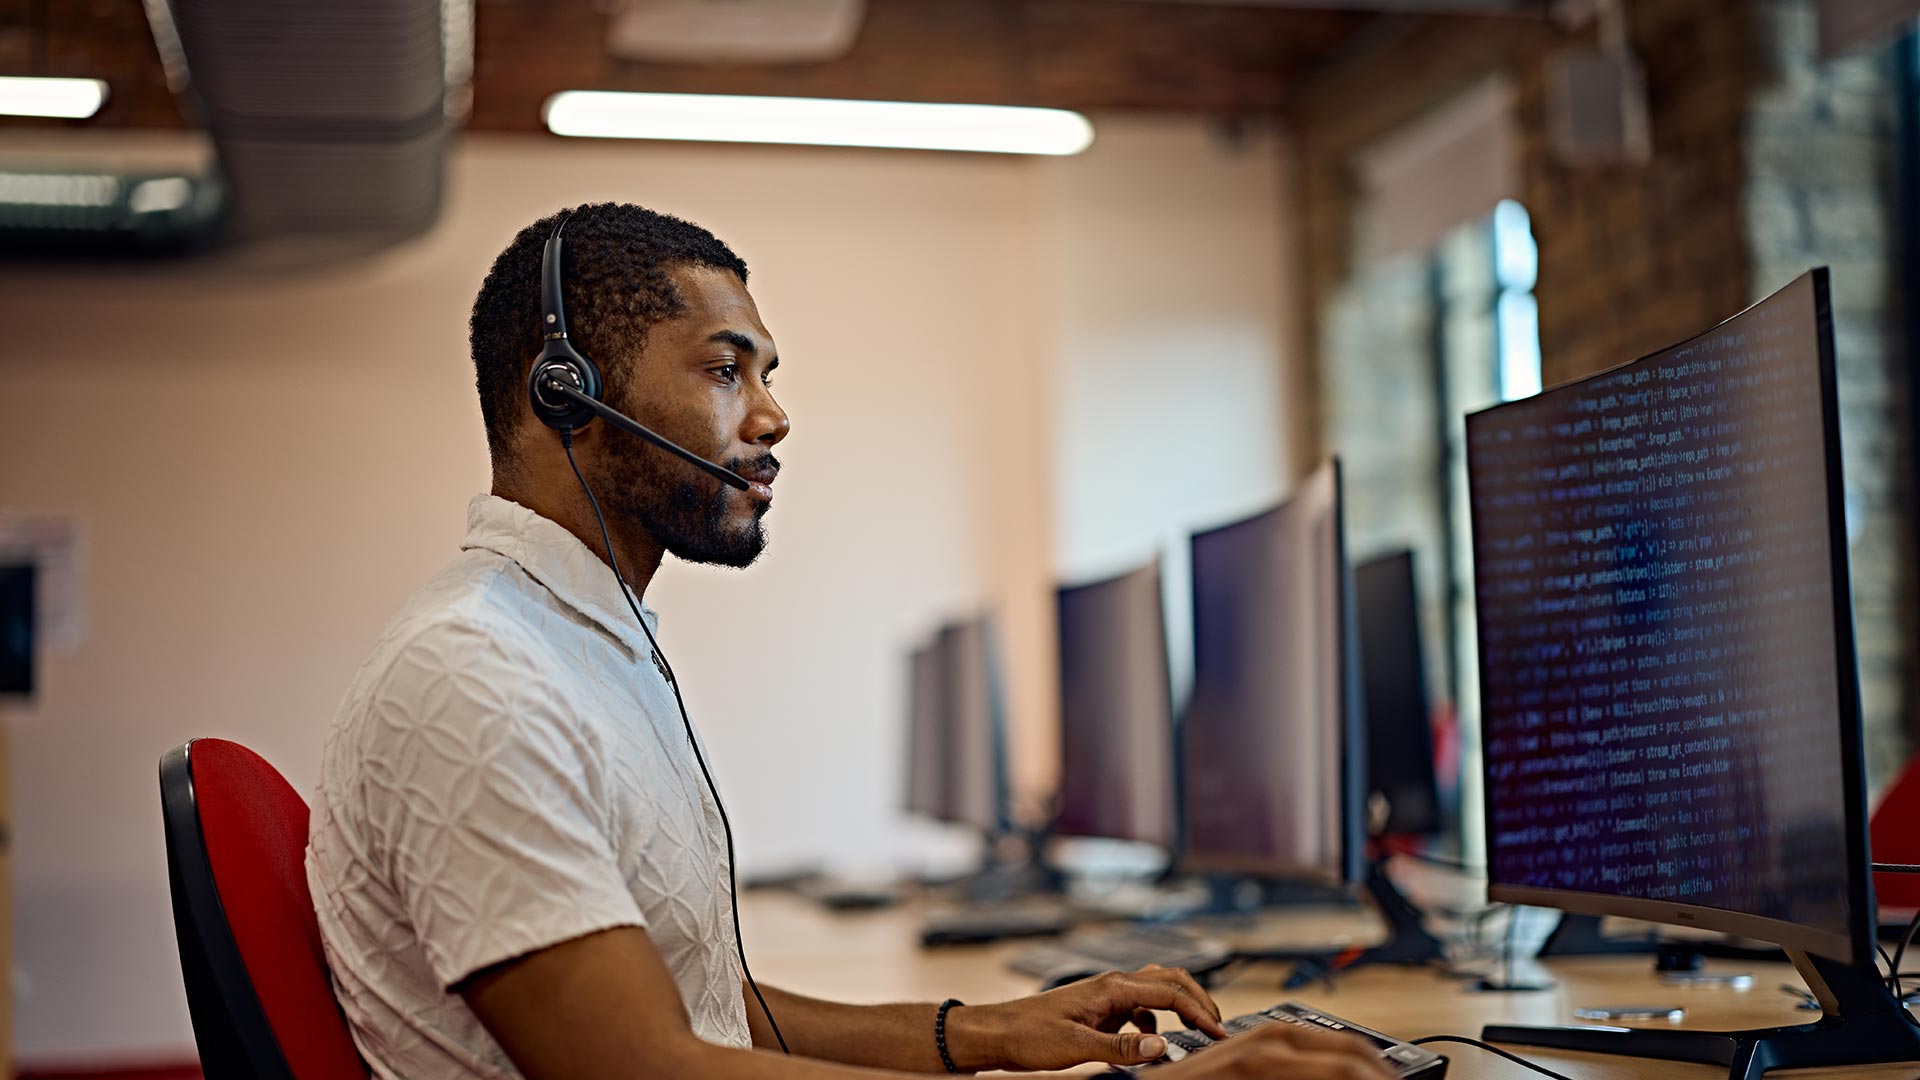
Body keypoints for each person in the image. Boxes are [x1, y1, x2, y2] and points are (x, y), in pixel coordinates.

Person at [305, 202, 1394, 1080]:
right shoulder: (478, 676)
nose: (773, 417)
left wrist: (987, 1032)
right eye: (727, 370)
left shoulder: (581, 647)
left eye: (766, 375)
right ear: (569, 396)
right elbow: (644, 1068)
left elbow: (705, 1016)